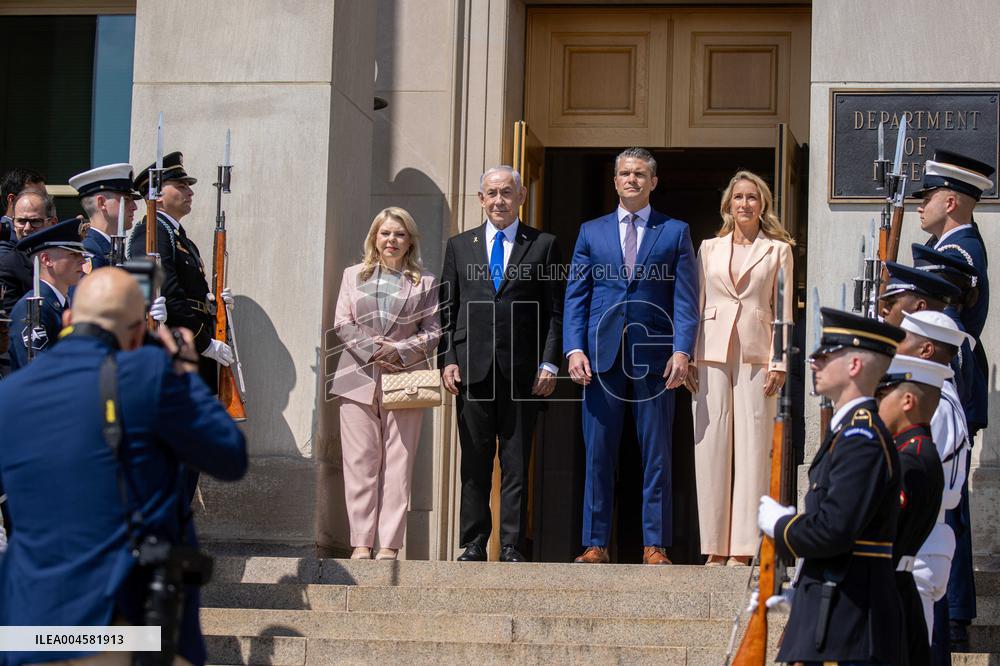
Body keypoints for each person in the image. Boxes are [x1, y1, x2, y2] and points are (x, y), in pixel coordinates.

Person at [0, 267, 247, 665]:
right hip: (119, 623)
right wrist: (182, 367)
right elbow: (229, 454)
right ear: (136, 333)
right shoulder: (148, 372)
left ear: (67, 320)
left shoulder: (9, 394)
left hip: (31, 622)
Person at [564, 147, 698, 565]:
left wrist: (683, 350)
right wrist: (573, 348)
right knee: (598, 451)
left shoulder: (675, 231)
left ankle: (654, 544)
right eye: (625, 173)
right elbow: (576, 296)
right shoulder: (591, 232)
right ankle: (594, 543)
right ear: (615, 180)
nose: (632, 180)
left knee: (656, 453)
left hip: (655, 358)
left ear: (653, 182)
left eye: (640, 174)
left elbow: (686, 300)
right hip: (601, 357)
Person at [757, 307, 904, 664]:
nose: (814, 362)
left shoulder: (860, 437)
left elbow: (834, 530)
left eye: (825, 354)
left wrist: (781, 525)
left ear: (854, 365)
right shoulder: (849, 432)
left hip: (849, 623)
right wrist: (802, 594)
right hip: (835, 610)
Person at [439, 166, 563, 563]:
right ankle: (474, 542)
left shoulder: (543, 245)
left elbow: (555, 311)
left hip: (523, 373)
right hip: (472, 371)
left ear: (521, 196)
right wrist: (448, 359)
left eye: (506, 193)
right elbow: (447, 308)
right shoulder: (459, 246)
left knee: (515, 464)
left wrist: (549, 363)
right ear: (480, 199)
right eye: (491, 193)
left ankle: (511, 544)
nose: (499, 201)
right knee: (474, 463)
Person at [688, 170, 793, 567]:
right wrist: (690, 356)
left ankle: (745, 547)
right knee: (710, 447)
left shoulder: (778, 250)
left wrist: (779, 360)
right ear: (728, 205)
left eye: (752, 197)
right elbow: (695, 305)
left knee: (753, 447)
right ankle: (715, 545)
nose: (745, 204)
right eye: (738, 198)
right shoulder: (708, 249)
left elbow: (783, 312)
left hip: (757, 352)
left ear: (762, 204)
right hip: (711, 351)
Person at [913, 149, 994, 651]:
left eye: (927, 198)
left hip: (951, 375)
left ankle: (957, 611)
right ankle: (955, 609)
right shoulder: (950, 245)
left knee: (949, 496)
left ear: (950, 200)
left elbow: (938, 309)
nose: (920, 208)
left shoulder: (959, 251)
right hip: (948, 374)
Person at [330, 207, 441, 561]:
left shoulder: (425, 281)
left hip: (406, 378)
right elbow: (342, 322)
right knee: (360, 463)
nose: (391, 240)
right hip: (357, 378)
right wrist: (373, 350)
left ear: (410, 241)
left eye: (399, 234)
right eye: (385, 233)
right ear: (374, 238)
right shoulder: (352, 276)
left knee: (398, 465)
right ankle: (361, 543)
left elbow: (434, 330)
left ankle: (390, 545)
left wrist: (400, 352)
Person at [126, 151, 233, 393]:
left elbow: (191, 295)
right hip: (177, 350)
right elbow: (167, 296)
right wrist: (205, 343)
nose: (190, 192)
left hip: (193, 348)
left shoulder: (178, 238)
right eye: (181, 185)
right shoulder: (151, 234)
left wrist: (215, 305)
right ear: (158, 195)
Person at [877, 354, 950, 666]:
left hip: (887, 595)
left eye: (881, 396)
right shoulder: (915, 451)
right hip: (899, 590)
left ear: (906, 400)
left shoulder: (909, 460)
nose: (875, 406)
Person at [8, 218, 86, 370]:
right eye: (73, 255)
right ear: (46, 259)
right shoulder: (32, 309)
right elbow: (38, 370)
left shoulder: (63, 303)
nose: (82, 260)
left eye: (81, 254)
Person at [69, 163, 141, 270]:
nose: (134, 207)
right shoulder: (91, 251)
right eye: (126, 200)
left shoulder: (109, 248)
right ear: (102, 203)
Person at [0, 168, 46, 255]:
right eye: (35, 196)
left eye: (44, 197)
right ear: (12, 199)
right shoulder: (4, 240)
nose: (44, 201)